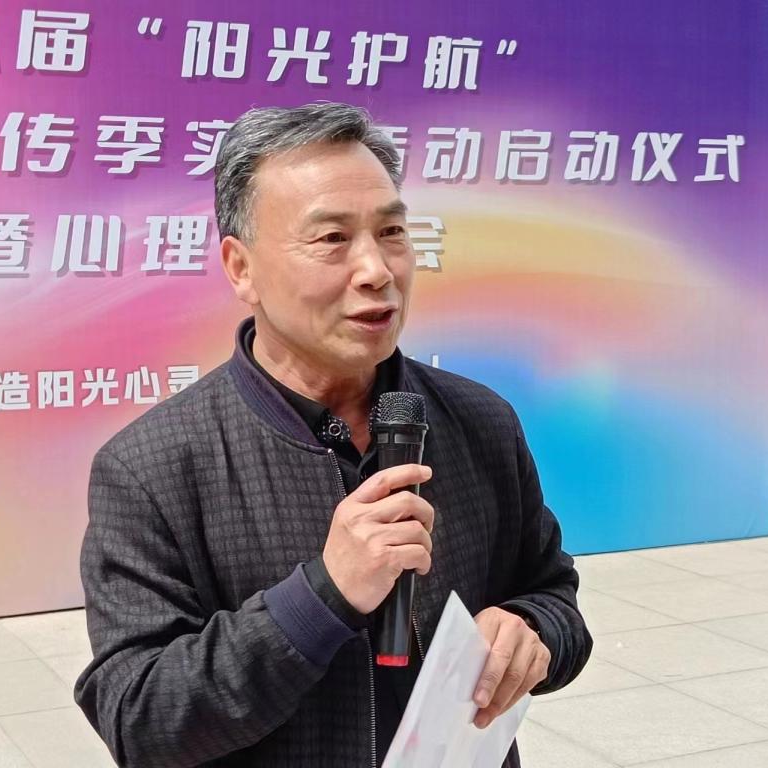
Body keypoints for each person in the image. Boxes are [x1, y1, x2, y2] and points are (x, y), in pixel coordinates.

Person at [75, 102, 593, 768]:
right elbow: (139, 720)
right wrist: (324, 596)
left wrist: (533, 632)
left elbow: (554, 596)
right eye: (331, 239)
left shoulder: (481, 420)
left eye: (392, 231)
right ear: (241, 268)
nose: (376, 270)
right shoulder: (150, 468)